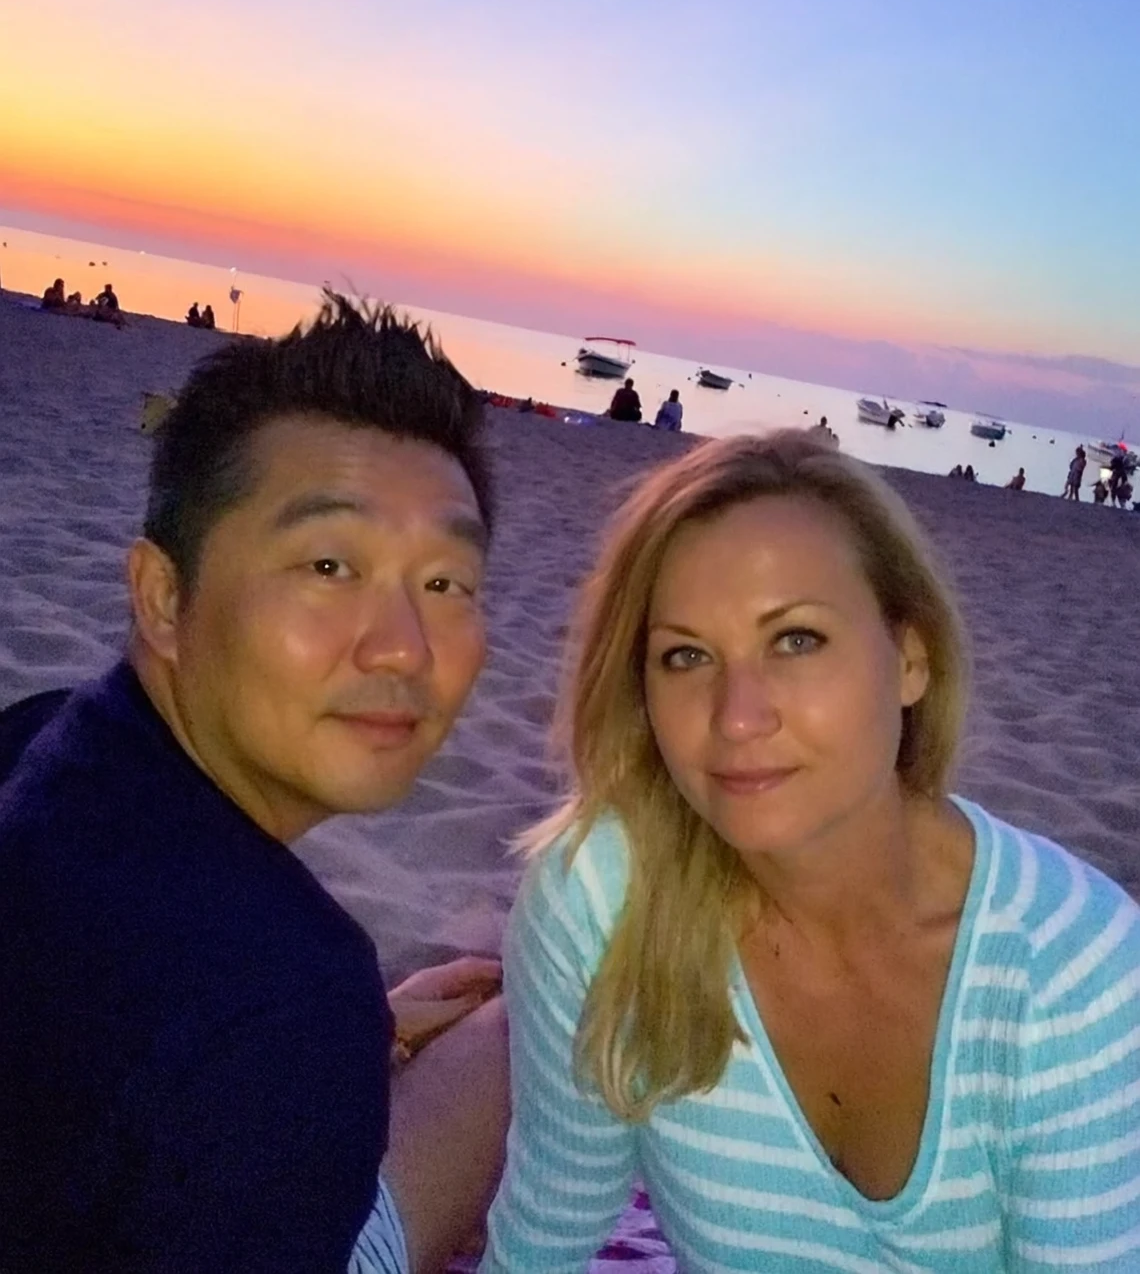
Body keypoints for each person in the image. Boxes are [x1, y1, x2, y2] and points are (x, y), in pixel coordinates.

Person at [480, 431, 1140, 1272]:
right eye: (686, 656)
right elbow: (550, 1215)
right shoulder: (604, 899)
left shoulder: (1071, 974)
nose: (739, 717)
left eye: (795, 640)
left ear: (910, 658)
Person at [0, 296, 509, 1274]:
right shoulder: (288, 992)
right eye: (329, 563)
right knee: (520, 1027)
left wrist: (351, 1034)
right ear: (162, 594)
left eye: (447, 581)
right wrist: (303, 1047)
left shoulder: (45, 735)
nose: (404, 644)